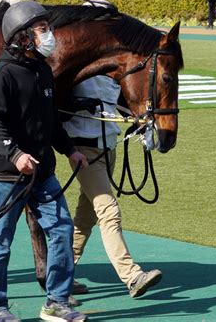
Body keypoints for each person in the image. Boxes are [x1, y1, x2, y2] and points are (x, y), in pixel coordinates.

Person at [0, 0, 88, 322]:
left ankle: (56, 302)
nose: (49, 34)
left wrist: (70, 150)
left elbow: (50, 120)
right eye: (42, 29)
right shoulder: (0, 76)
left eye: (48, 28)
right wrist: (15, 155)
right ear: (23, 37)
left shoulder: (43, 71)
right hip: (6, 177)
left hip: (42, 174)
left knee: (61, 228)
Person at [61, 75, 163, 299]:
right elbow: (56, 100)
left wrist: (140, 121)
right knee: (109, 212)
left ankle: (60, 273)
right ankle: (132, 276)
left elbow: (121, 102)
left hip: (108, 147)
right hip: (84, 150)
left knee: (86, 216)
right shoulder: (81, 63)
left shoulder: (112, 67)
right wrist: (74, 104)